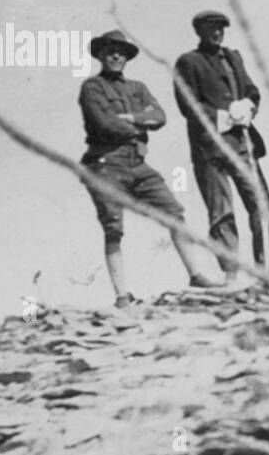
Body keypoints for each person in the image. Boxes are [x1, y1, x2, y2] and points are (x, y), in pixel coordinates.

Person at [77, 30, 222, 308]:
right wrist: (140, 125)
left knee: (174, 213)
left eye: (120, 52)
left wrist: (128, 117)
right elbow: (104, 124)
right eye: (110, 51)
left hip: (137, 162)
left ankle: (196, 275)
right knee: (113, 227)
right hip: (106, 163)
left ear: (126, 58)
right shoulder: (92, 87)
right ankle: (122, 296)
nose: (115, 56)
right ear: (101, 55)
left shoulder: (137, 88)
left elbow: (160, 116)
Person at [174, 9, 269, 287]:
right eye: (211, 28)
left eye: (220, 28)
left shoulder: (233, 57)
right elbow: (188, 105)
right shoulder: (189, 62)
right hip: (209, 148)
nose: (217, 33)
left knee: (262, 204)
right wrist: (223, 116)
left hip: (241, 143)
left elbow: (251, 91)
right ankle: (231, 275)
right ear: (199, 31)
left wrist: (248, 105)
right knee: (221, 212)